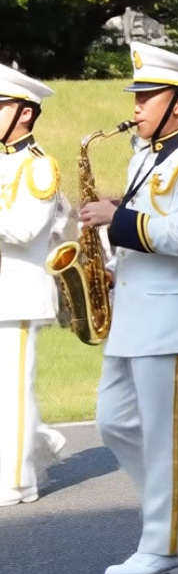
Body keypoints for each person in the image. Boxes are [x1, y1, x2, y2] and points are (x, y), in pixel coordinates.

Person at [80, 42, 178, 574]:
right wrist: (111, 262)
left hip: (172, 319)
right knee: (114, 421)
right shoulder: (144, 156)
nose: (136, 106)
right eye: (137, 96)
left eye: (147, 96)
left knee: (165, 437)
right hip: (134, 312)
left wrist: (115, 218)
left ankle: (166, 546)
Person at [0, 64, 66, 507]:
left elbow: (25, 230)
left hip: (19, 293)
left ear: (24, 113)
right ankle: (39, 438)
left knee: (13, 389)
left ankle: (18, 481)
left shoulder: (40, 166)